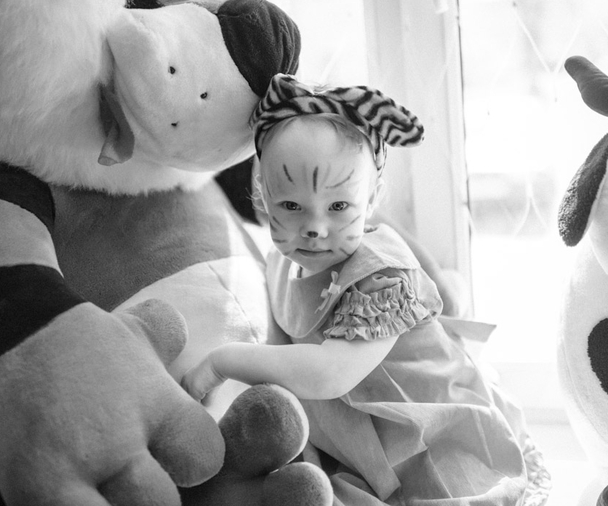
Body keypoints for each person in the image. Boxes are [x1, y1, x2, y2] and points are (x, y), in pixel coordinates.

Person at [182, 74, 550, 506]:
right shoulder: (281, 262)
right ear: (263, 195)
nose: (315, 227)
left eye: (338, 206)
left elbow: (328, 373)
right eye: (291, 206)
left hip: (429, 439)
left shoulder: (381, 276)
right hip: (359, 440)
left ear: (372, 197)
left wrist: (223, 361)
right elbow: (284, 353)